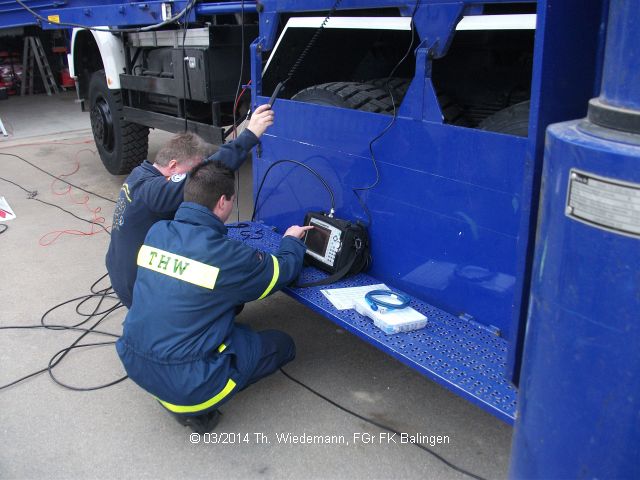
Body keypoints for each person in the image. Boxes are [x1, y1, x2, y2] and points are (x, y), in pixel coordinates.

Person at [116, 160, 312, 433]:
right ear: (222, 202)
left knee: (225, 306)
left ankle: (180, 388)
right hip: (189, 383)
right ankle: (197, 406)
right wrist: (291, 241)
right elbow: (281, 272)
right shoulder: (227, 256)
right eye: (232, 200)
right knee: (283, 345)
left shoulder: (157, 232)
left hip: (134, 360)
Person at [106, 104, 274, 308]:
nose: (198, 176)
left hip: (125, 278)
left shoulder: (139, 175)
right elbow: (210, 171)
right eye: (194, 170)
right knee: (229, 296)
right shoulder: (154, 191)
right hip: (139, 293)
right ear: (174, 166)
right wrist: (249, 136)